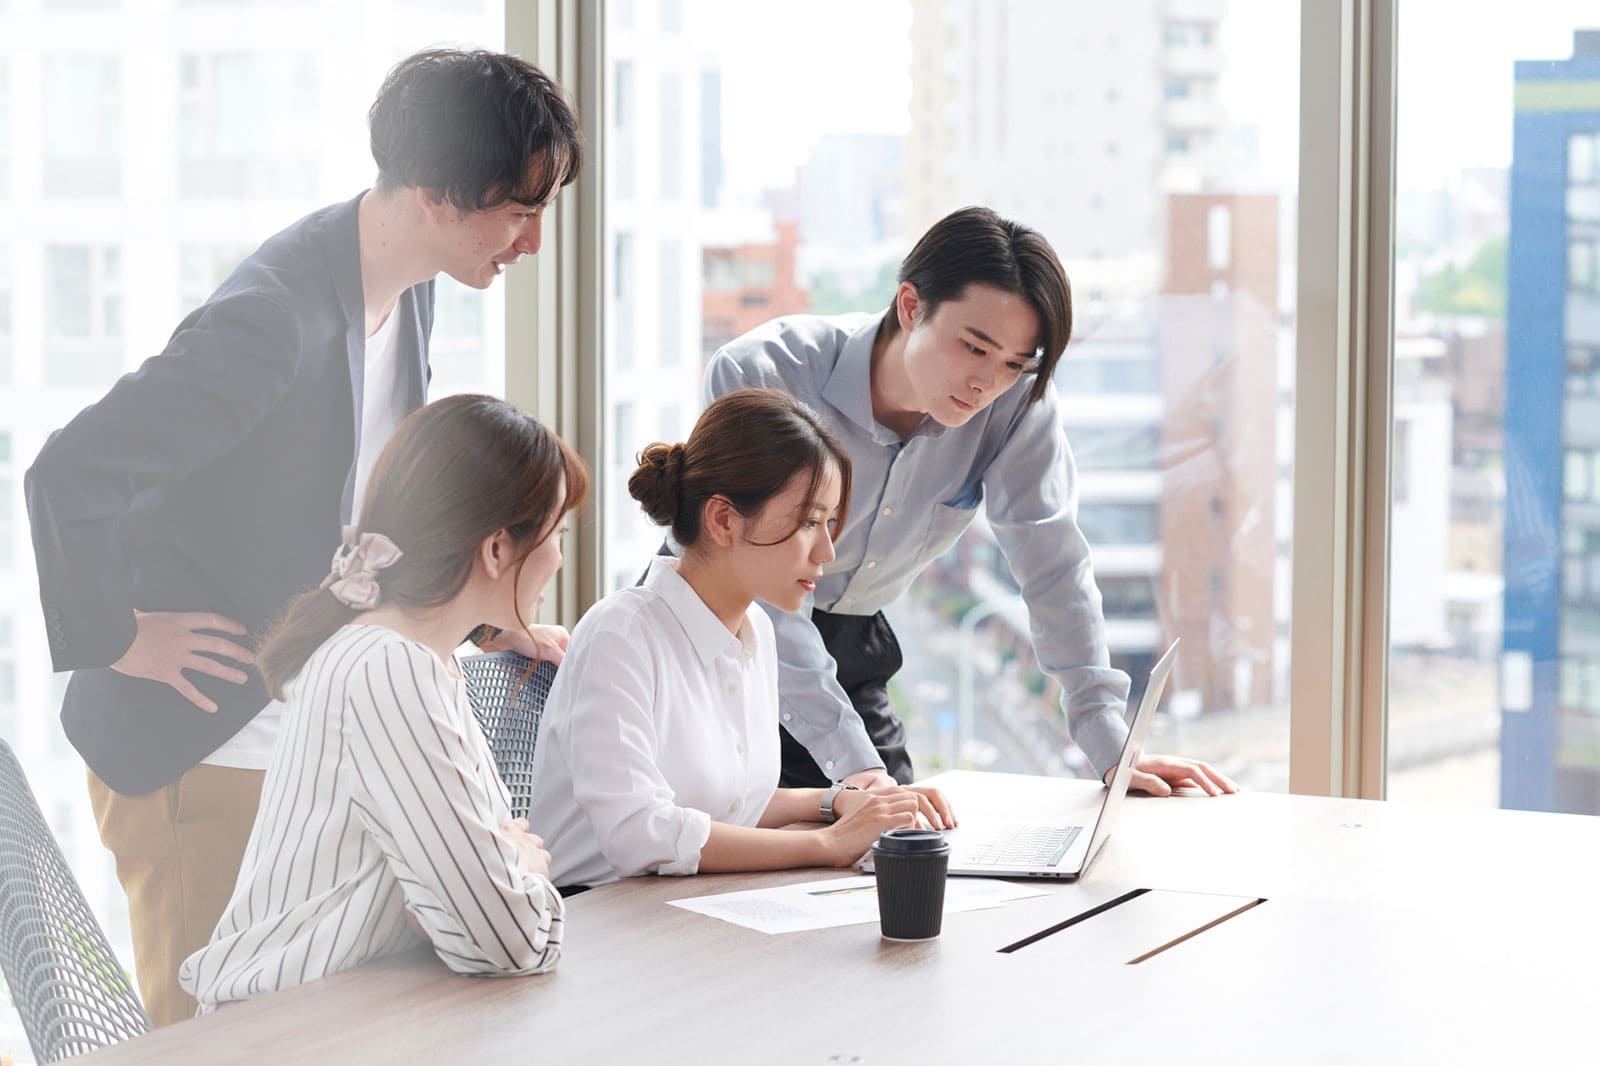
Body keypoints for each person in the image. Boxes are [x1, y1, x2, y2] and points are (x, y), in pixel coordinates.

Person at [23, 48, 582, 1025]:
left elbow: (352, 528)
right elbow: (68, 472)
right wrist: (116, 637)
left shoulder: (405, 286)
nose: (532, 240)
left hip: (288, 722)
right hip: (200, 745)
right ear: (442, 193)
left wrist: (491, 620)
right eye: (520, 209)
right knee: (213, 1042)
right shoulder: (273, 324)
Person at [701, 206, 1239, 798]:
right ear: (911, 306)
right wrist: (861, 772)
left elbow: (1053, 561)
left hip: (855, 642)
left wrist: (1111, 744)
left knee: (906, 854)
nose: (988, 383)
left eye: (1014, 363)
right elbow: (767, 605)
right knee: (724, 851)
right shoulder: (770, 372)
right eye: (974, 347)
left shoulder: (1015, 403)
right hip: (720, 633)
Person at [180, 394, 585, 1012]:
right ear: (497, 549)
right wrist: (523, 868)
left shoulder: (417, 658)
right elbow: (506, 938)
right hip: (287, 1031)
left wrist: (479, 885)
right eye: (555, 535)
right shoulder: (389, 669)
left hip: (349, 1009)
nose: (558, 559)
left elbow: (466, 905)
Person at [528, 389, 954, 889]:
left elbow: (730, 802)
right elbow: (640, 833)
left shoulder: (757, 634)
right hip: (594, 921)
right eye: (809, 521)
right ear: (724, 519)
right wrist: (828, 843)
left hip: (676, 910)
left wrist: (839, 801)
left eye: (830, 523)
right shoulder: (620, 634)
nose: (827, 551)